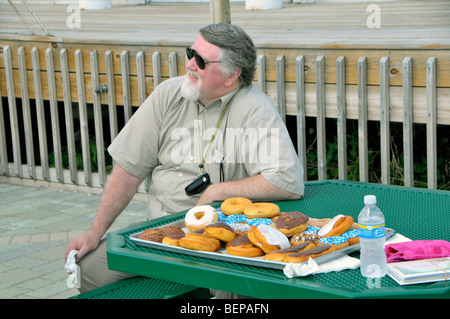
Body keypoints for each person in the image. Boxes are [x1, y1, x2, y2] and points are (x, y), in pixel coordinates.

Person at [65, 23, 304, 298]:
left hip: (218, 241)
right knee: (87, 269)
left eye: (200, 60)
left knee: (235, 292)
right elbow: (128, 171)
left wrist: (217, 191)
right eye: (191, 52)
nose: (190, 64)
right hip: (159, 232)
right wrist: (95, 232)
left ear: (231, 75)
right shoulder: (169, 93)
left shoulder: (255, 107)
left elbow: (287, 181)